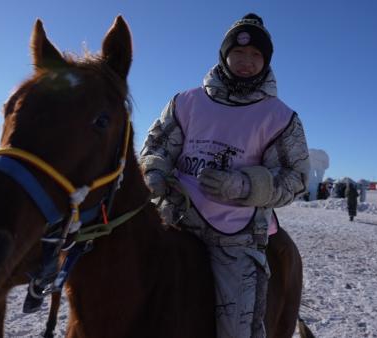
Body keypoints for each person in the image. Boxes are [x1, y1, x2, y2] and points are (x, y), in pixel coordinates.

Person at [139, 13, 309, 338]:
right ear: (224, 54)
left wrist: (245, 186)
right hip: (175, 216)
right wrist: (154, 172)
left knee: (236, 329)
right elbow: (157, 145)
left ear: (266, 60)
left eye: (255, 55)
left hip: (234, 236)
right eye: (239, 53)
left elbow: (295, 176)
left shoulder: (279, 117)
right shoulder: (187, 102)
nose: (246, 61)